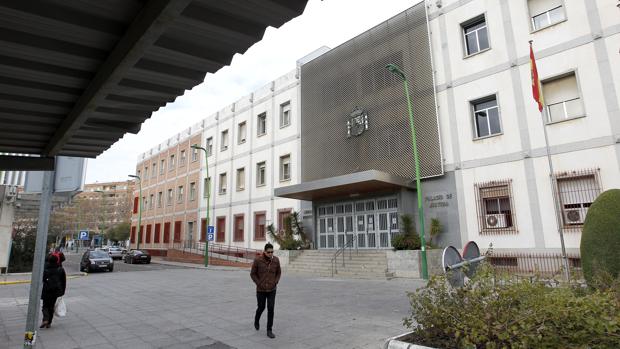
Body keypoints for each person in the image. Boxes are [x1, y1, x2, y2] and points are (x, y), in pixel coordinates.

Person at [250, 243, 281, 339]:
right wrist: (259, 283)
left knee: (271, 308)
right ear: (264, 252)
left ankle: (269, 330)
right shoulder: (258, 260)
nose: (271, 254)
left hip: (272, 289)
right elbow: (253, 274)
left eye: (272, 252)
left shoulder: (276, 260)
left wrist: (275, 282)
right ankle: (256, 319)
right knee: (261, 307)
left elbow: (279, 272)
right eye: (269, 252)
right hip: (261, 290)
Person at [40, 253, 66, 328]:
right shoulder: (60, 269)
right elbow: (63, 281)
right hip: (56, 291)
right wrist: (62, 291)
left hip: (47, 290)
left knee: (45, 306)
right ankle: (49, 323)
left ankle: (45, 319)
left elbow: (43, 280)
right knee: (51, 307)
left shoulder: (45, 269)